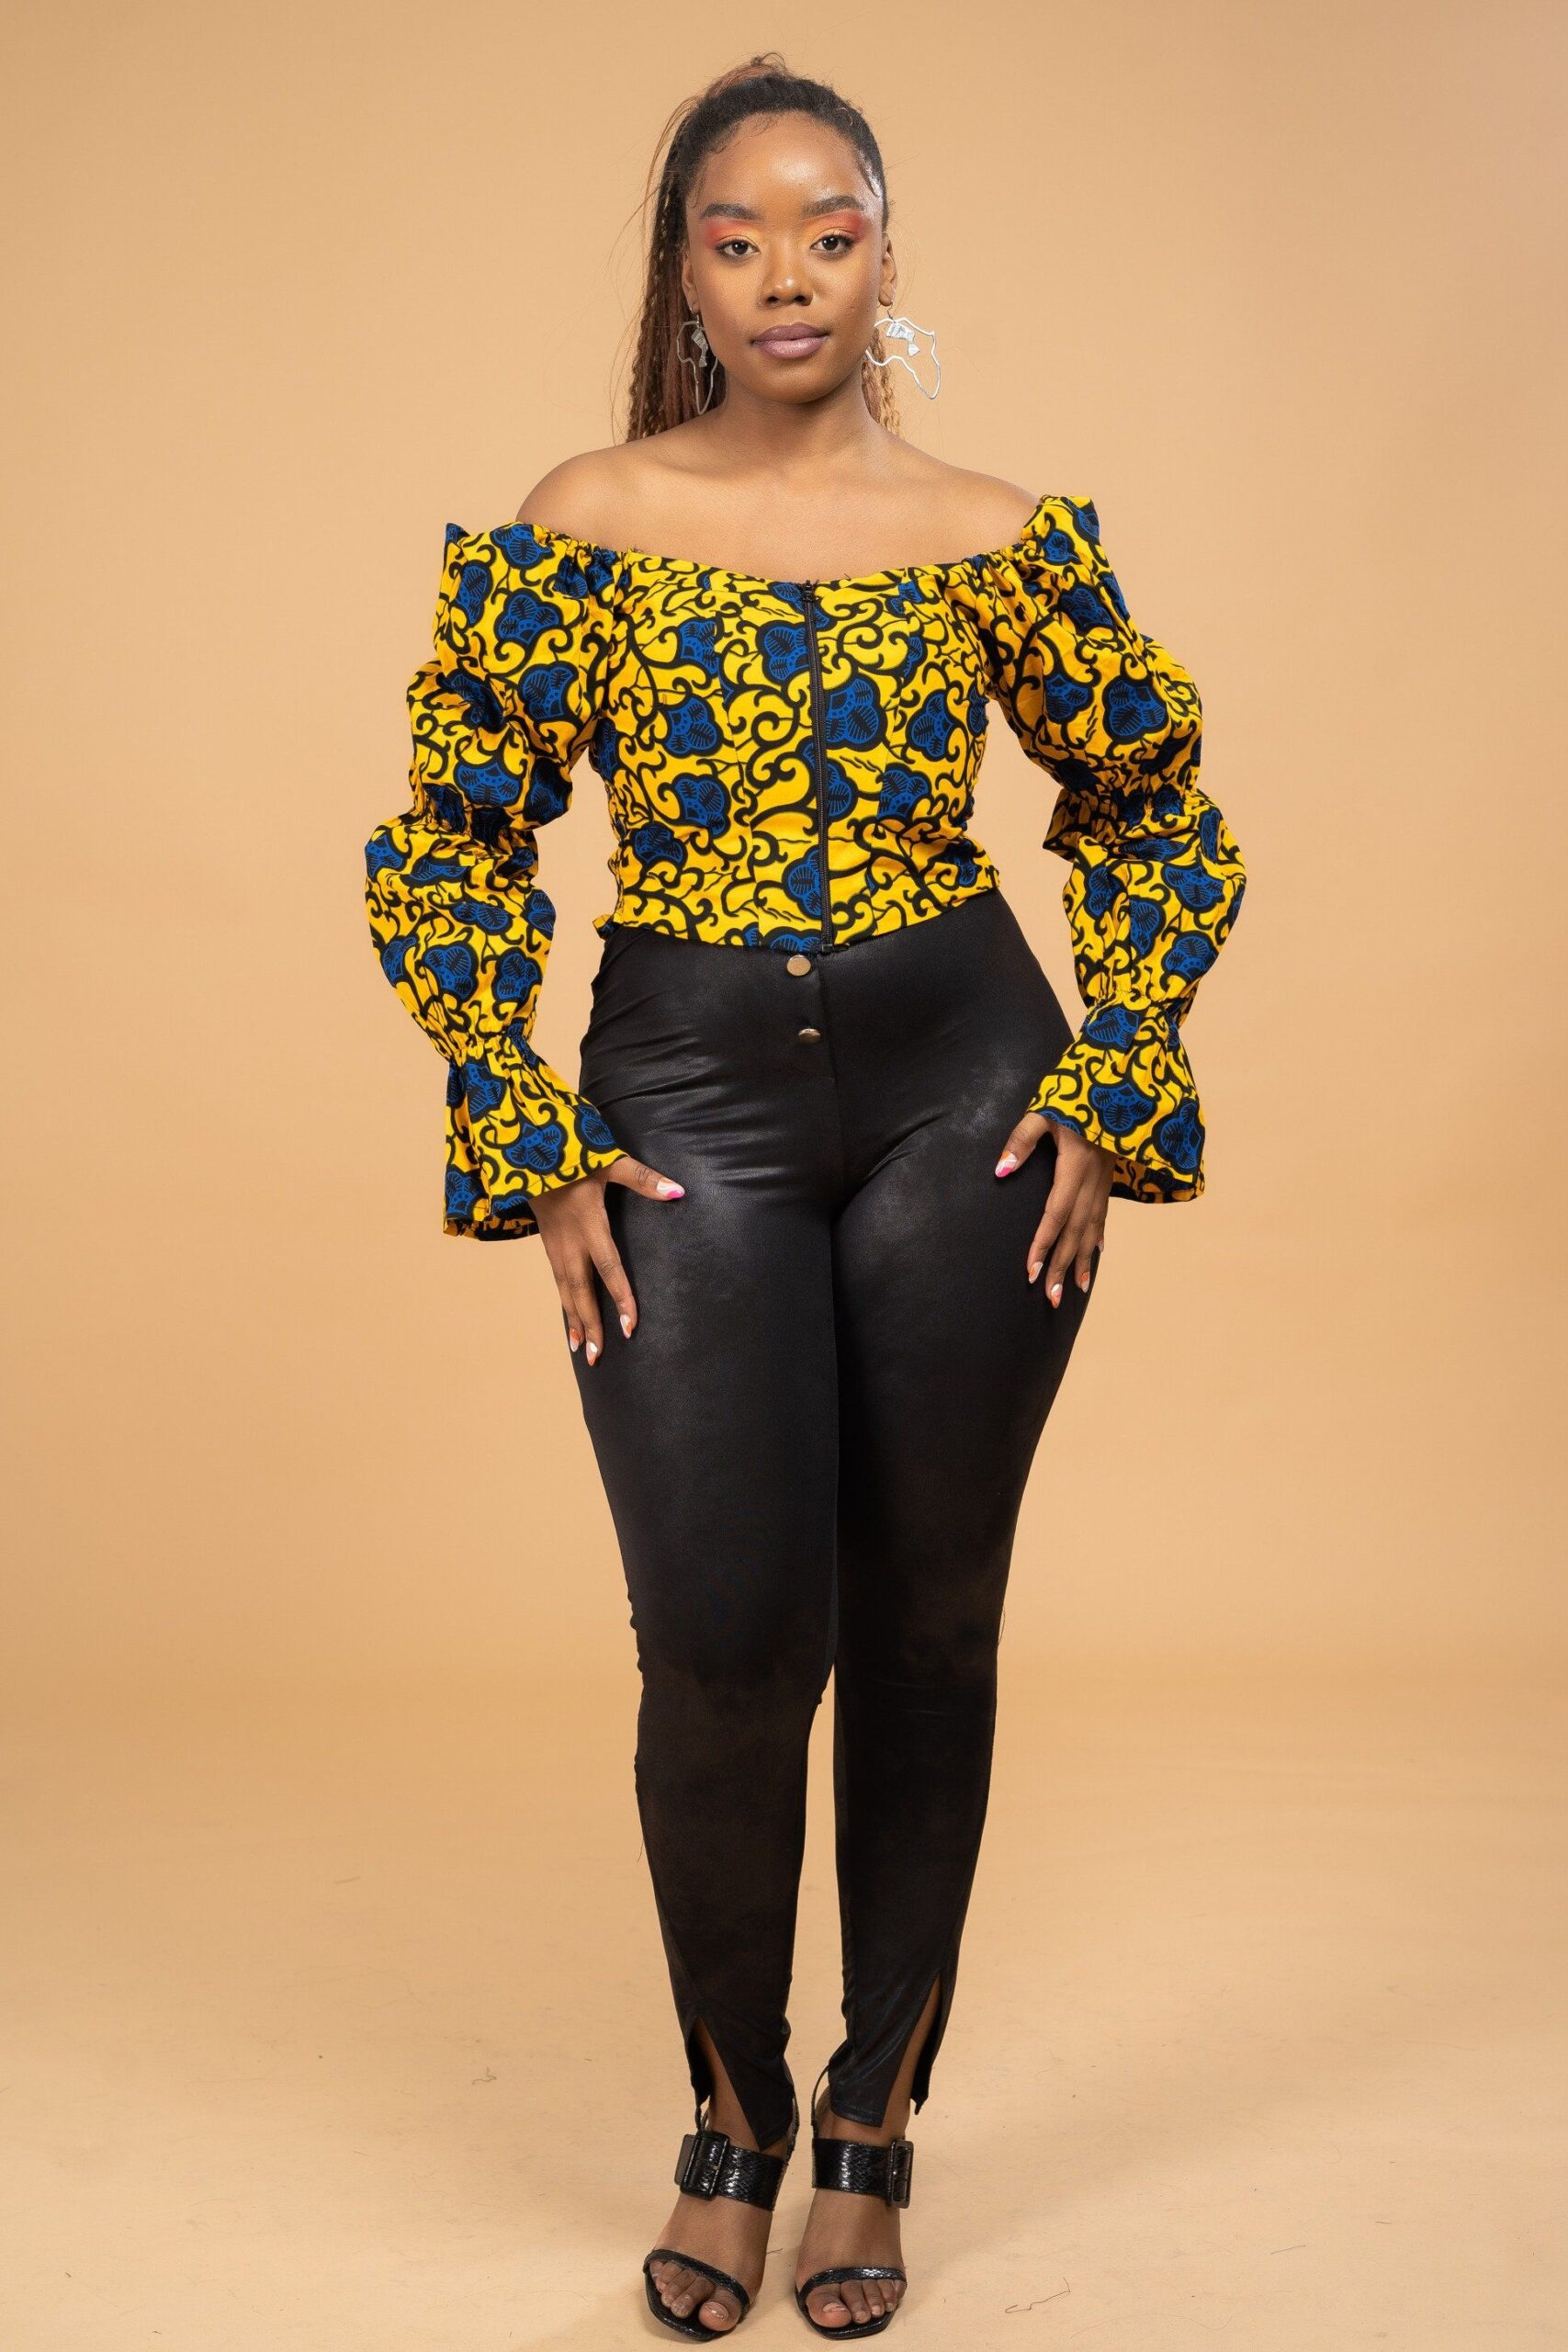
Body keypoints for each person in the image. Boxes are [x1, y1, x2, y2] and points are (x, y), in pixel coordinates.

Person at [364, 54, 1247, 2342]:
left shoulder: (992, 533)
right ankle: (728, 2112)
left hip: (964, 1088)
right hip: (685, 1097)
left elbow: (1151, 807)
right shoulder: (587, 516)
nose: (785, 276)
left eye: (828, 234)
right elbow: (456, 834)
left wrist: (1116, 1065)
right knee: (726, 1637)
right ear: (682, 270)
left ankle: (868, 2125)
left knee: (928, 1617)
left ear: (882, 257)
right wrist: (518, 1118)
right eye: (739, 236)